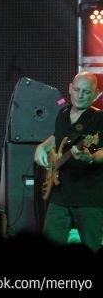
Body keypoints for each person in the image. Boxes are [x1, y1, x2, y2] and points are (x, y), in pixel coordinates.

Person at [33, 71, 103, 252]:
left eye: (86, 92)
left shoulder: (99, 119)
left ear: (96, 94)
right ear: (70, 88)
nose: (80, 95)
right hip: (60, 193)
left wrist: (90, 158)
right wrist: (42, 147)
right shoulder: (63, 114)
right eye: (77, 90)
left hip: (89, 196)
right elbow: (57, 137)